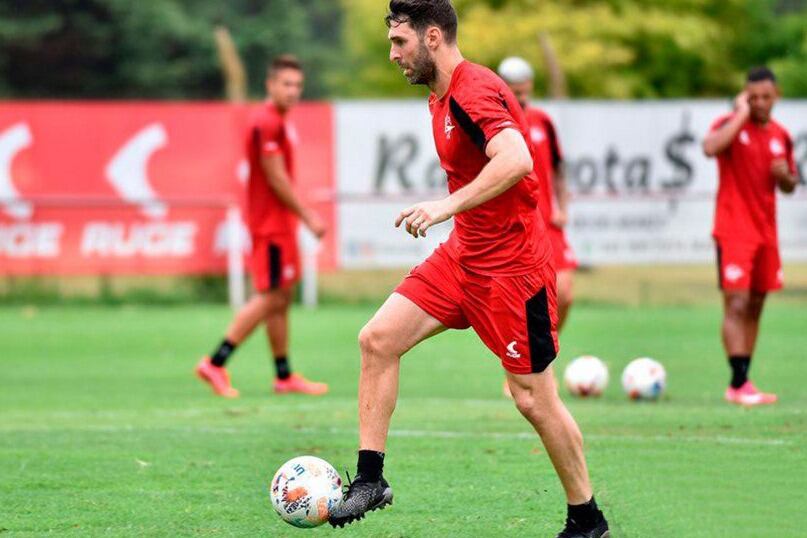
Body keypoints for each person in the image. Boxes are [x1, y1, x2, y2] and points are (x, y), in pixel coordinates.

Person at [329, 3, 609, 537]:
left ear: (432, 37)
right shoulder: (438, 95)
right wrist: (455, 218)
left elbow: (517, 159)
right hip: (463, 258)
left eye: (400, 43)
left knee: (534, 399)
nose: (392, 55)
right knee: (377, 339)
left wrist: (442, 206)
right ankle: (370, 479)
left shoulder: (474, 89)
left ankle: (587, 518)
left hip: (512, 269)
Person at [195, 55, 328, 398]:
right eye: (286, 84)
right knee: (270, 297)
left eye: (298, 85)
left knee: (281, 298)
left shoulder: (278, 121)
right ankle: (215, 361)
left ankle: (283, 376)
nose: (293, 91)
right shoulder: (267, 122)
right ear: (270, 85)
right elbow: (276, 177)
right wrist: (308, 216)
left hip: (277, 224)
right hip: (270, 226)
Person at [702, 66, 798, 406]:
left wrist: (785, 176)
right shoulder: (729, 125)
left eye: (765, 97)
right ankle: (738, 382)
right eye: (752, 97)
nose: (759, 103)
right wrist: (740, 114)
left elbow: (789, 185)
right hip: (733, 229)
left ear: (776, 97)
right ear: (744, 96)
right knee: (737, 302)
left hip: (766, 232)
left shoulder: (780, 135)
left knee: (756, 304)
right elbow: (710, 148)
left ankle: (744, 380)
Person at [498, 56, 578, 399]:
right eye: (513, 90)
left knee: (565, 294)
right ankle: (520, 370)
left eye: (523, 89)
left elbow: (559, 168)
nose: (520, 95)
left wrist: (563, 206)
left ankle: (540, 362)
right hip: (518, 226)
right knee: (519, 306)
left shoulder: (543, 121)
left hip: (549, 223)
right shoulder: (497, 122)